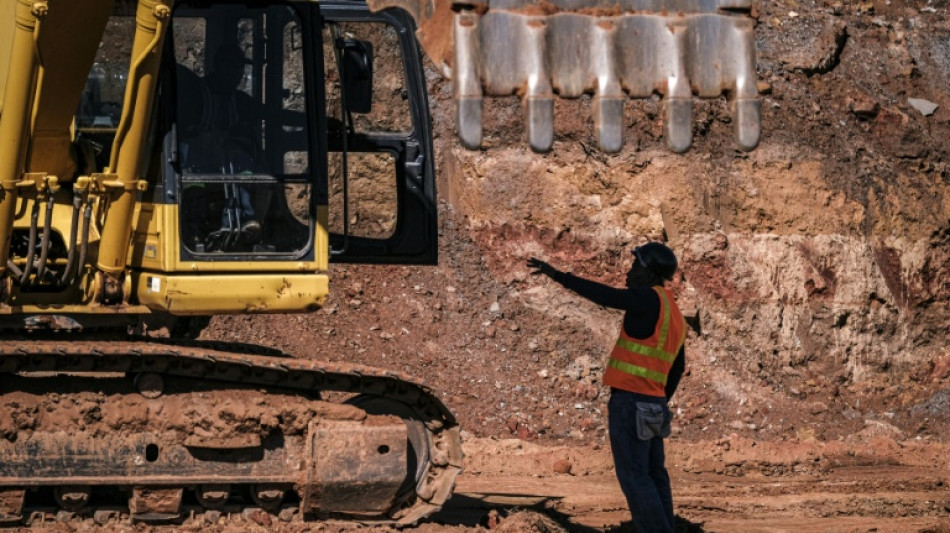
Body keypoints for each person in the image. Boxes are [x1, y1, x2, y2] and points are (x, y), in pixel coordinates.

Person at [527, 243, 687, 533]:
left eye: (636, 266)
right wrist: (660, 400)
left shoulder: (647, 298)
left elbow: (606, 296)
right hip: (654, 404)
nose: (629, 272)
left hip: (631, 402)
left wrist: (559, 276)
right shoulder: (673, 311)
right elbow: (677, 368)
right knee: (654, 475)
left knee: (635, 477)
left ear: (649, 272)